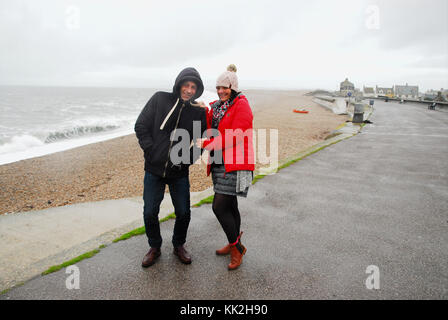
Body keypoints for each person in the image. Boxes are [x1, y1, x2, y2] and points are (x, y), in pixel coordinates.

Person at [135, 67, 207, 267]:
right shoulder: (160, 99)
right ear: (179, 84)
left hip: (179, 172)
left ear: (197, 90)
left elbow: (202, 141)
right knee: (150, 211)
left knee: (183, 212)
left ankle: (178, 245)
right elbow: (140, 125)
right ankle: (155, 247)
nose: (189, 90)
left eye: (194, 87)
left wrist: (185, 160)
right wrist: (150, 150)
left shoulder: (197, 112)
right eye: (186, 85)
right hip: (153, 169)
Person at [196, 64, 255, 270]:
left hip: (238, 164)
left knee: (219, 206)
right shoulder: (219, 106)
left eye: (225, 87)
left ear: (234, 87)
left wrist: (207, 144)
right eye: (218, 87)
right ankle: (234, 245)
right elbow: (213, 127)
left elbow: (237, 134)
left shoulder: (242, 105)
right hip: (220, 163)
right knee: (230, 206)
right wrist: (205, 111)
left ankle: (236, 247)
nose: (221, 91)